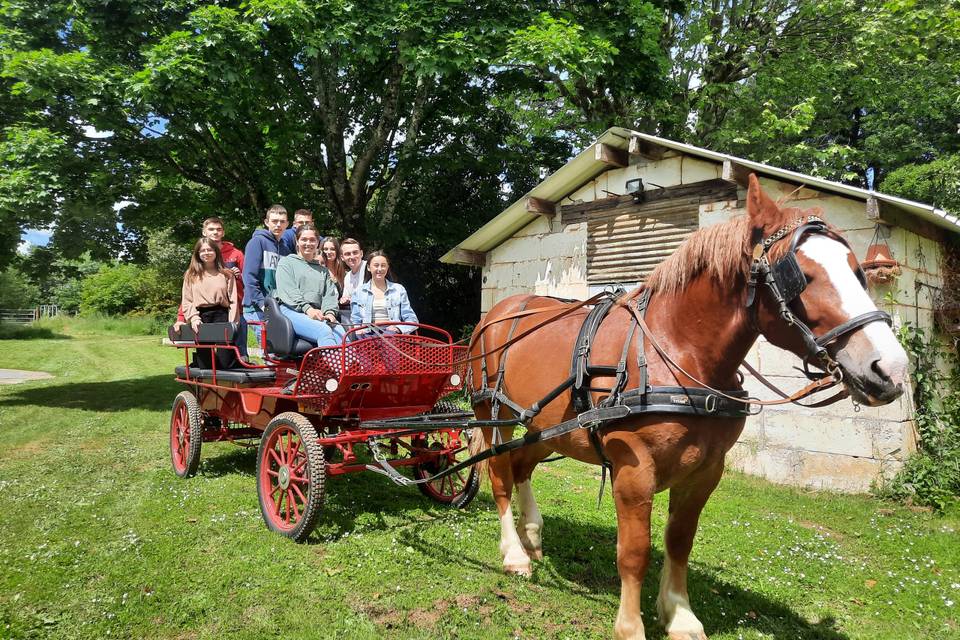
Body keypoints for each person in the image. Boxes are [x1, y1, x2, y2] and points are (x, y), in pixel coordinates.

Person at [175, 218, 245, 351]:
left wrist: (238, 276)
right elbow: (189, 296)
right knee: (206, 359)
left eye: (218, 229)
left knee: (236, 355)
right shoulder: (195, 269)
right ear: (204, 232)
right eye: (211, 229)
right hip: (202, 315)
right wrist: (182, 317)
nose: (215, 232)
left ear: (223, 232)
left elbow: (247, 281)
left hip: (233, 312)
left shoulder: (236, 254)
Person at [274, 223, 346, 347]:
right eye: (304, 239)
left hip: (318, 313)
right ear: (297, 241)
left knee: (342, 334)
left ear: (318, 243)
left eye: (312, 240)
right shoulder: (286, 263)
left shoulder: (322, 270)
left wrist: (330, 313)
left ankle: (352, 366)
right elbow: (289, 292)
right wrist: (308, 309)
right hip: (291, 311)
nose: (308, 243)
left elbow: (329, 295)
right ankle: (336, 366)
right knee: (323, 331)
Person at [180, 238, 239, 368]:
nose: (206, 253)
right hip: (201, 318)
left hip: (222, 316)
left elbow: (233, 301)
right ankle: (200, 370)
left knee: (226, 362)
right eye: (203, 250)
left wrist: (232, 324)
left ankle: (226, 386)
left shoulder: (226, 274)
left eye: (210, 249)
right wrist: (194, 318)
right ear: (197, 254)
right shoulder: (191, 275)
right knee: (206, 365)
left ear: (216, 252)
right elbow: (187, 300)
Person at [242, 204, 288, 347]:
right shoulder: (257, 242)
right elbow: (249, 277)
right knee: (269, 351)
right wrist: (262, 304)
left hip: (277, 307)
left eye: (282, 221)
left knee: (279, 350)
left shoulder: (286, 249)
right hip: (257, 307)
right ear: (267, 222)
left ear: (287, 224)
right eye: (274, 221)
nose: (278, 225)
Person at [350, 250, 418, 335]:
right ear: (368, 267)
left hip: (394, 337)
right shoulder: (358, 292)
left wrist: (398, 328)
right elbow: (355, 320)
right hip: (368, 337)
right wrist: (358, 330)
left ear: (387, 267)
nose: (379, 269)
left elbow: (411, 319)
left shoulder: (399, 289)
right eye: (376, 265)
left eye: (383, 265)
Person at [339, 237, 366, 323]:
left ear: (361, 253)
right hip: (358, 318)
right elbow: (345, 298)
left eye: (355, 252)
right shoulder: (347, 277)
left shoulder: (369, 269)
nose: (352, 256)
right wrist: (344, 300)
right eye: (347, 254)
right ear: (342, 257)